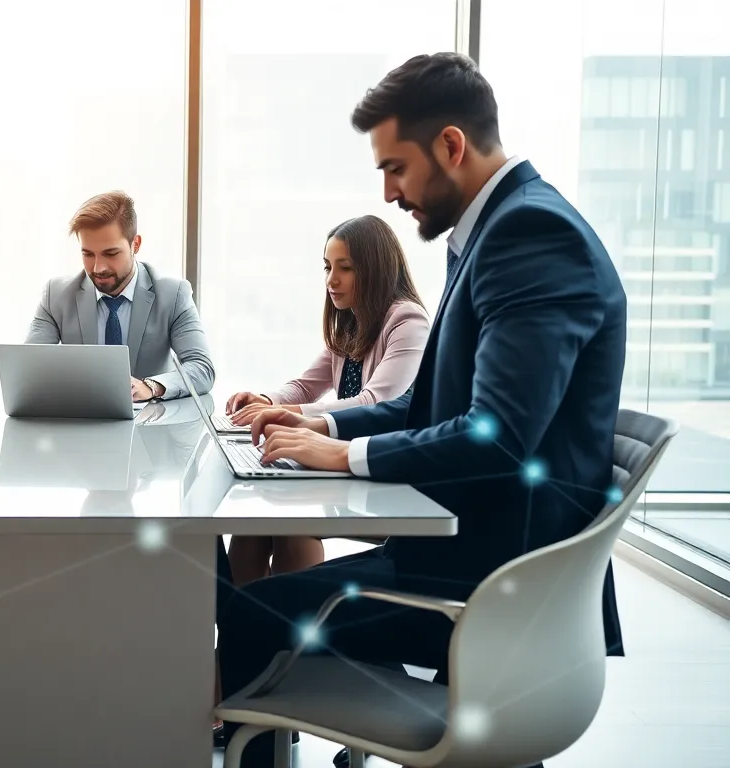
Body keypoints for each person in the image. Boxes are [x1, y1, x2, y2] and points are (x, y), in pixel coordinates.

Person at [220, 53, 626, 768]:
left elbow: (494, 439)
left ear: (450, 146)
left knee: (249, 611)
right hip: (474, 562)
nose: (388, 191)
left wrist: (342, 455)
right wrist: (326, 422)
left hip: (490, 591)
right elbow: (428, 405)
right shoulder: (493, 231)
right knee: (265, 598)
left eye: (396, 168)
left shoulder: (531, 237)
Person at [222, 215, 429, 584]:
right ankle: (242, 631)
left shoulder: (407, 320)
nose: (331, 280)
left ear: (375, 269)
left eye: (345, 268)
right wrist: (266, 399)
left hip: (378, 470)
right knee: (255, 522)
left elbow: (375, 402)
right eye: (327, 267)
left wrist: (286, 415)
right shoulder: (352, 320)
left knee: (288, 518)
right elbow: (305, 386)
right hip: (336, 462)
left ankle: (283, 631)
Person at [24, 190, 214, 401]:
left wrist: (151, 386)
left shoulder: (173, 295)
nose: (98, 267)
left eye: (111, 253)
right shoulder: (56, 296)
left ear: (136, 245)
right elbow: (29, 371)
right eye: (88, 254)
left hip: (150, 428)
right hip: (79, 425)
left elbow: (202, 368)